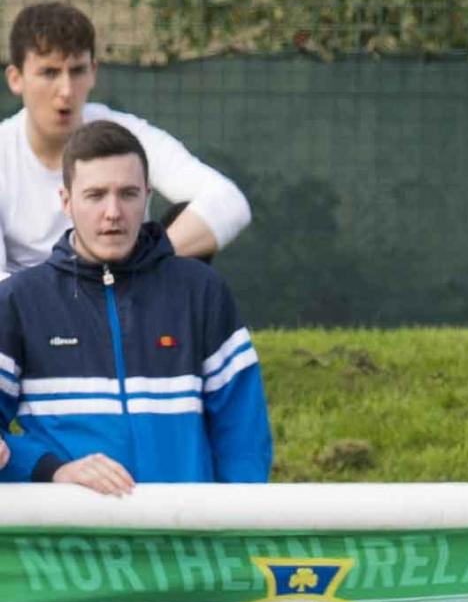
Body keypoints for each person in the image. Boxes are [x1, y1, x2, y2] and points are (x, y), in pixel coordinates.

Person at [0, 120, 269, 489]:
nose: (113, 212)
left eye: (127, 194)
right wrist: (55, 470)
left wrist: (234, 529)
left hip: (185, 538)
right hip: (67, 542)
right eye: (95, 195)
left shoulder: (201, 291)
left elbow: (243, 437)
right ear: (66, 201)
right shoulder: (19, 300)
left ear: (147, 195)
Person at [1, 1, 252, 278]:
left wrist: (148, 262)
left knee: (187, 217)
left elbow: (229, 203)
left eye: (77, 71)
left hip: (124, 294)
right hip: (34, 310)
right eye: (49, 72)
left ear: (93, 72)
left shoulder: (125, 135)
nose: (66, 90)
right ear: (16, 78)